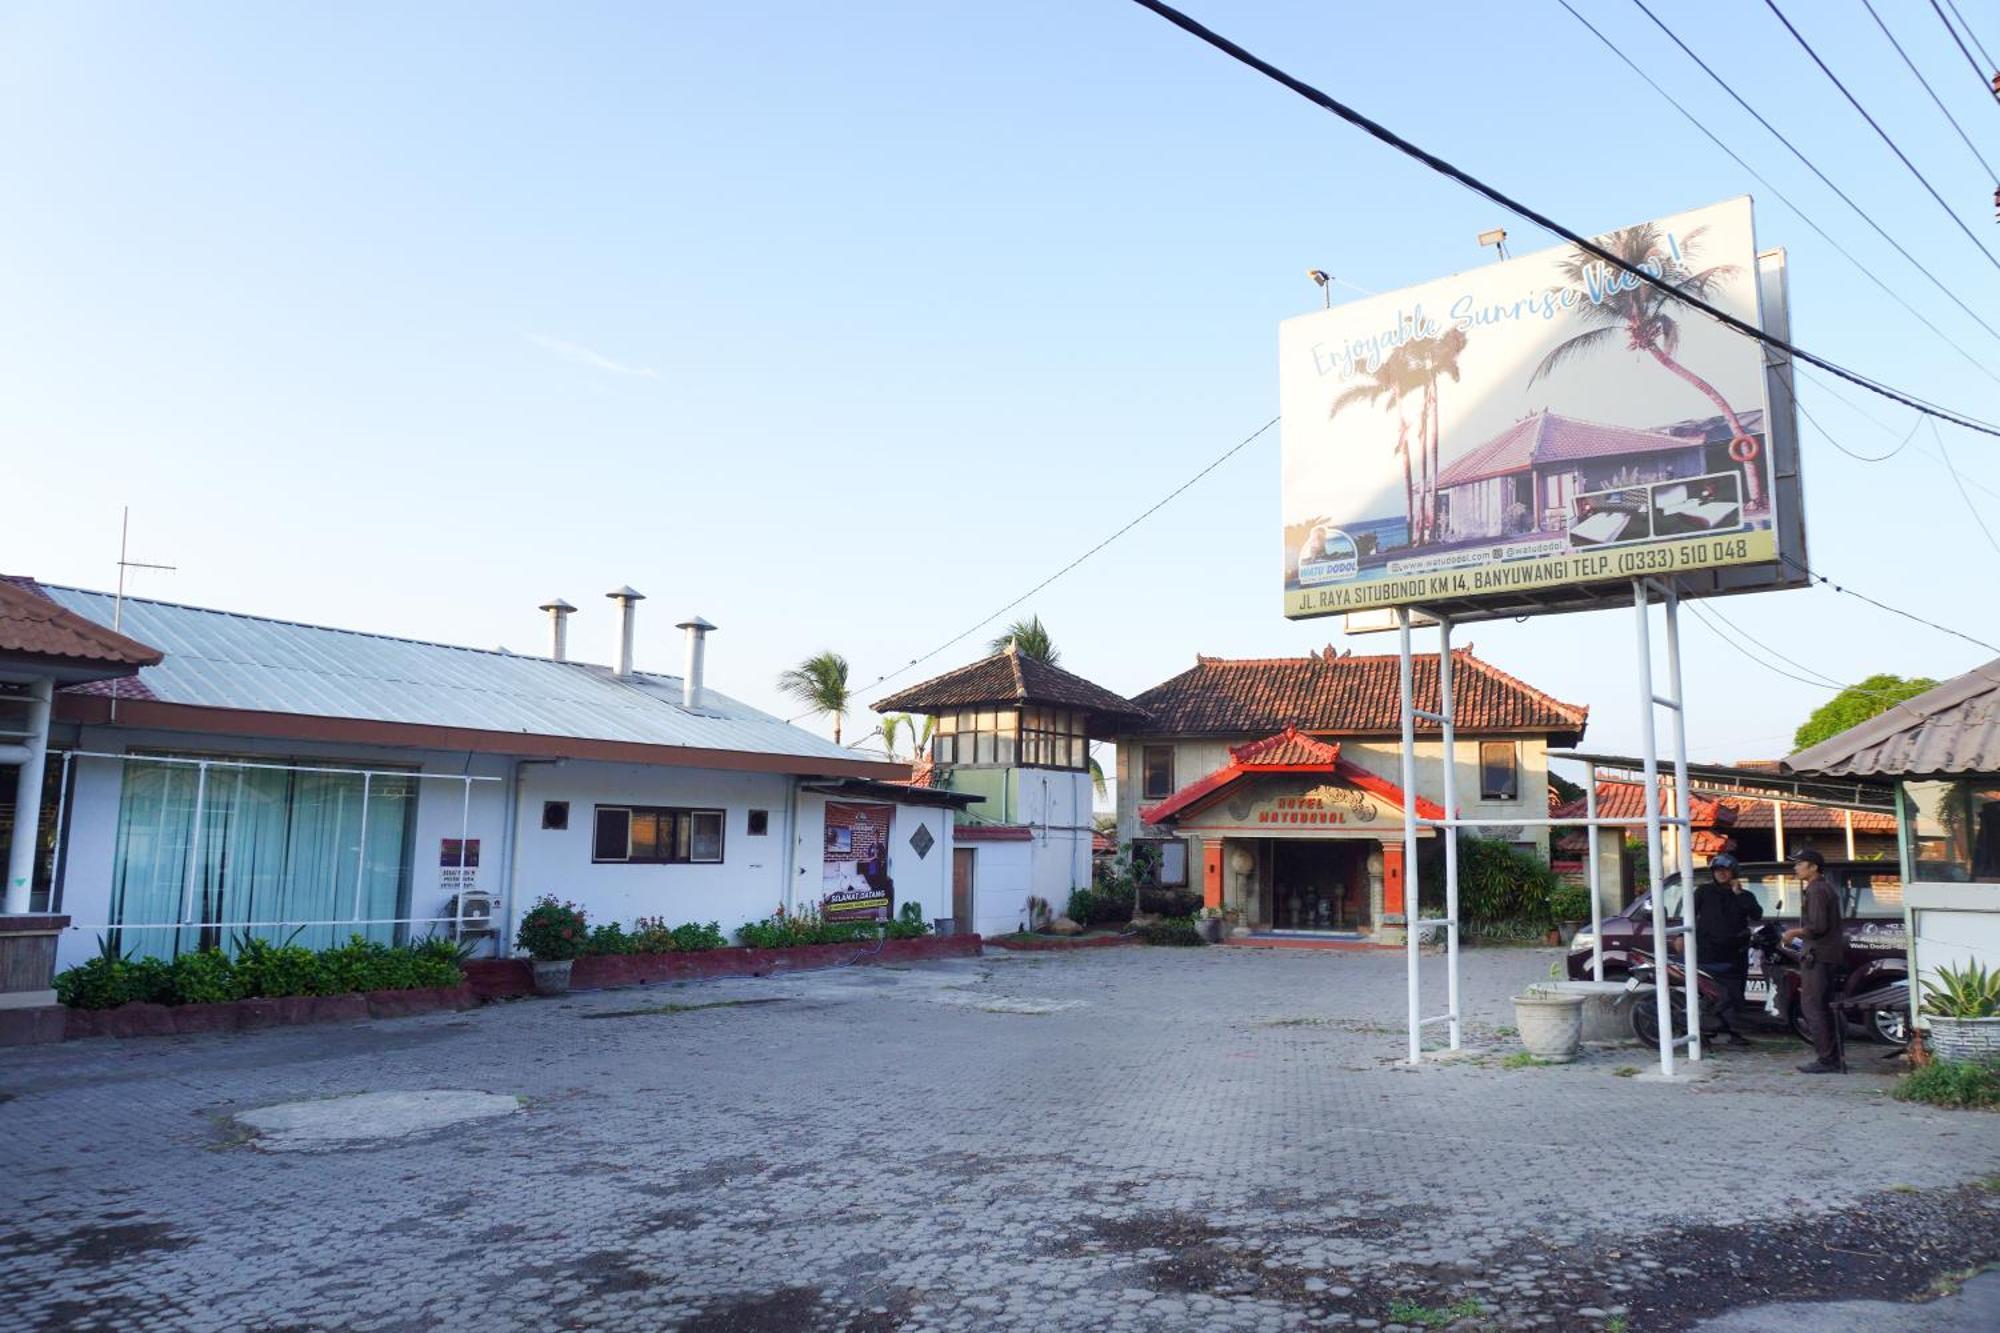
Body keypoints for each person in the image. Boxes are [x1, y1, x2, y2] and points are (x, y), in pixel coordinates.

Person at [1783, 846, 1847, 1074]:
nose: (1796, 867)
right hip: (1825, 955)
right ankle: (1832, 1056)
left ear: (1813, 867)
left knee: (1813, 1007)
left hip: (1818, 956)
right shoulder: (1822, 888)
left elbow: (1818, 927)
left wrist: (1794, 933)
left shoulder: (1817, 890)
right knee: (1822, 1006)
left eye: (1800, 864)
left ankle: (1827, 1058)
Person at [1691, 853, 1763, 1047]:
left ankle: (1735, 1032)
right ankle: (1704, 1029)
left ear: (1733, 872)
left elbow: (1756, 914)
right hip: (1708, 950)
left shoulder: (1744, 895)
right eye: (1717, 871)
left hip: (1735, 952)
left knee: (1736, 993)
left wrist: (1738, 894)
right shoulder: (1703, 892)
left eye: (1725, 870)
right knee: (1707, 992)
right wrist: (1682, 936)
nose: (1721, 874)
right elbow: (1689, 914)